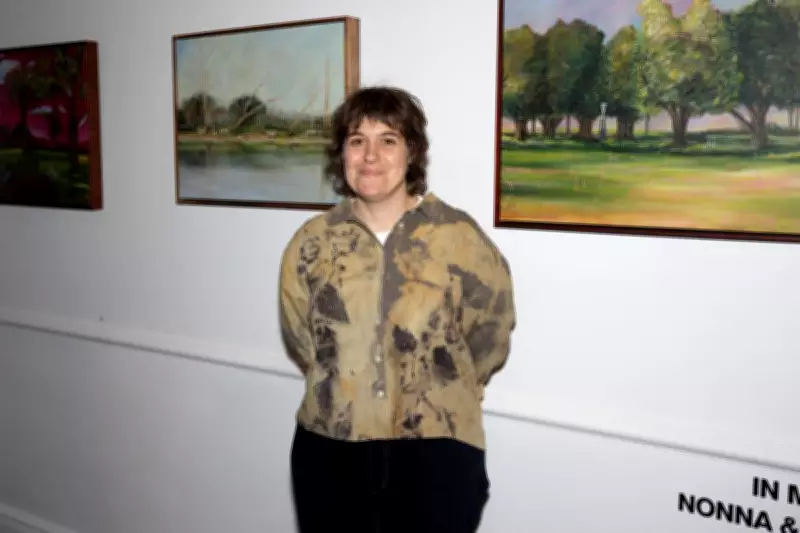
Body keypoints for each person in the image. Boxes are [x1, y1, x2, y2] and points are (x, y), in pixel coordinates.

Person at [278, 85, 516, 533]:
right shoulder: (311, 243)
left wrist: (442, 379)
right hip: (331, 451)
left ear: (413, 152)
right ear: (342, 154)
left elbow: (490, 333)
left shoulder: (459, 237)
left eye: (388, 140)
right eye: (357, 141)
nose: (370, 155)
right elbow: (303, 339)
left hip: (437, 451)